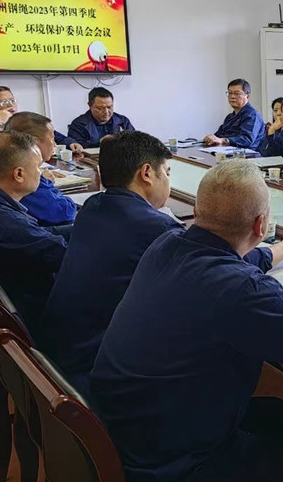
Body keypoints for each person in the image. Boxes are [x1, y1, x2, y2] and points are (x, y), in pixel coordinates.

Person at [90, 160, 283, 482]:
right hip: (170, 468)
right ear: (261, 225)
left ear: (198, 212)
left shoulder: (165, 244)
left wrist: (275, 257)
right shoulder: (242, 289)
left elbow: (225, 260)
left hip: (121, 430)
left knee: (276, 411)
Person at [40, 131, 182, 393]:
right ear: (147, 173)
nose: (168, 181)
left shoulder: (93, 206)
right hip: (97, 369)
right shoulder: (158, 228)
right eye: (167, 172)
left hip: (60, 352)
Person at [0, 131, 69, 336]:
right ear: (18, 174)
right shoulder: (6, 224)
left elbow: (40, 234)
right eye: (38, 167)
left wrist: (83, 227)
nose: (42, 174)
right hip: (41, 317)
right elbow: (65, 256)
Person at [3, 112, 77, 226]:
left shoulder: (4, 163)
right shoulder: (25, 174)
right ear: (34, 142)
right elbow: (64, 212)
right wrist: (47, 183)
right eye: (52, 138)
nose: (55, 144)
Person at [0, 85, 81, 151]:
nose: (11, 106)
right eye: (4, 102)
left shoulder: (24, 119)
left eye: (12, 101)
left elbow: (53, 134)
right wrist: (0, 122)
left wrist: (70, 143)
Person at [204, 78, 265, 150]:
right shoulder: (230, 117)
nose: (232, 96)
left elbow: (246, 140)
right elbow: (218, 136)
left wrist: (223, 140)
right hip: (225, 151)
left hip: (246, 154)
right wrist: (211, 139)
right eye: (230, 93)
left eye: (237, 93)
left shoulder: (252, 115)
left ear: (247, 96)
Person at [67, 87, 136, 148]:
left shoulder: (123, 121)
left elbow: (135, 141)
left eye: (109, 107)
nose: (106, 111)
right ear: (90, 105)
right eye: (100, 108)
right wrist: (100, 142)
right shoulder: (78, 124)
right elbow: (77, 147)